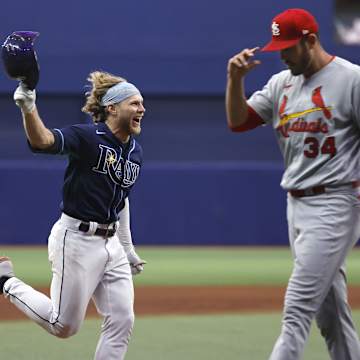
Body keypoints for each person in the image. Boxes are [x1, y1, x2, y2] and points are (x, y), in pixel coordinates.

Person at [226, 8, 360, 360]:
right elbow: (239, 122)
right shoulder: (281, 84)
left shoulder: (351, 80)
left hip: (336, 201)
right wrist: (234, 80)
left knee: (297, 307)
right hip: (296, 206)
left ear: (311, 40)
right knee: (331, 313)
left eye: (288, 47)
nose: (282, 55)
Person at [0, 70, 147, 360]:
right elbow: (43, 140)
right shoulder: (87, 136)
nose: (142, 109)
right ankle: (6, 282)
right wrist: (29, 107)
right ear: (112, 108)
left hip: (111, 244)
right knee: (63, 326)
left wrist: (127, 249)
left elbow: (121, 199)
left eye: (142, 103)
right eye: (135, 103)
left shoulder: (135, 151)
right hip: (76, 240)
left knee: (122, 319)